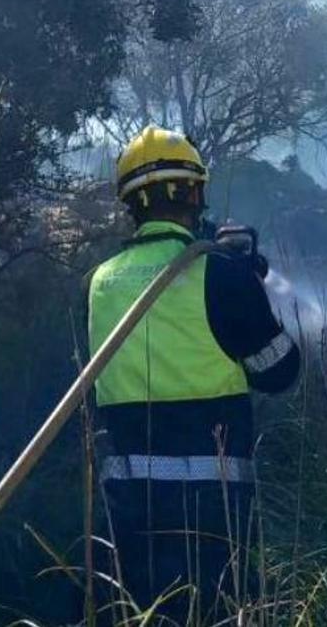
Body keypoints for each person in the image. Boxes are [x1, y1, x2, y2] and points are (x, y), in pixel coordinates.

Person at [87, 125, 300, 623]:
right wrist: (250, 288)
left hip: (125, 508)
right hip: (212, 513)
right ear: (196, 193)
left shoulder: (97, 283)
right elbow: (279, 371)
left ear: (130, 204)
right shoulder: (221, 275)